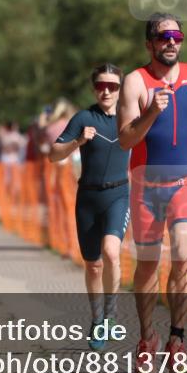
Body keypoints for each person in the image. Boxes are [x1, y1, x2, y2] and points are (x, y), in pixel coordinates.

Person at [118, 13, 187, 371]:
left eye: (177, 35)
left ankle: (178, 338)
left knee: (182, 253)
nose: (171, 42)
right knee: (147, 267)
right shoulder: (135, 82)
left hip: (186, 182)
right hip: (146, 186)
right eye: (163, 38)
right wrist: (150, 114)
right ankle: (147, 338)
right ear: (149, 44)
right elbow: (125, 139)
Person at [49, 64, 131, 351]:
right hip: (87, 197)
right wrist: (78, 141)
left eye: (112, 86)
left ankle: (111, 316)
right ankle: (97, 320)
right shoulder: (83, 117)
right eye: (100, 85)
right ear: (93, 88)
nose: (106, 91)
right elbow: (52, 154)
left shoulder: (128, 117)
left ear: (121, 89)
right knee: (93, 265)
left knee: (111, 252)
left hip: (118, 195)